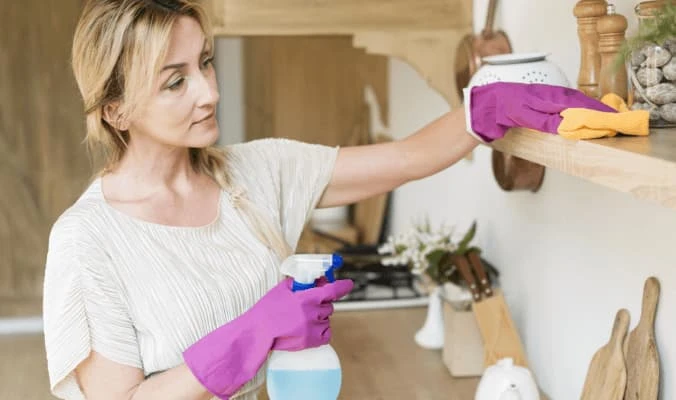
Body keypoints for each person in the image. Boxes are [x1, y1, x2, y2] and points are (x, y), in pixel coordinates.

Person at [43, 1, 617, 399]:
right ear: (114, 110)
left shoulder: (256, 173)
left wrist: (485, 107)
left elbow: (405, 160)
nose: (209, 92)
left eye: (206, 62)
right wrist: (251, 334)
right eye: (176, 81)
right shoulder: (88, 240)